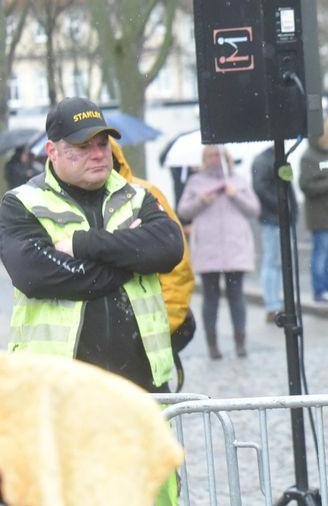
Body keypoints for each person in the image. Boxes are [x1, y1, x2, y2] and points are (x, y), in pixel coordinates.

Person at [0, 97, 184, 506]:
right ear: (53, 151)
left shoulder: (138, 197)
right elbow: (36, 274)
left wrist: (84, 246)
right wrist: (126, 263)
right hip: (58, 396)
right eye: (82, 147)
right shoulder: (20, 204)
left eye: (102, 143)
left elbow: (168, 248)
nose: (98, 154)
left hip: (142, 390)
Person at [110, 138, 197, 386]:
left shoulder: (144, 195)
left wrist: (159, 330)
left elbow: (178, 270)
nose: (94, 156)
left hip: (143, 350)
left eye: (99, 147)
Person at [178, 145, 261, 359]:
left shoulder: (238, 180)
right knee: (210, 297)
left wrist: (236, 196)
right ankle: (212, 343)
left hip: (234, 246)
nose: (214, 159)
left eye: (217, 155)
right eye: (209, 156)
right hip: (208, 246)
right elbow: (183, 211)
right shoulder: (196, 182)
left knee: (236, 296)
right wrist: (201, 201)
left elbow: (254, 209)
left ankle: (240, 341)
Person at [252, 146, 297, 323]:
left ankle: (277, 301)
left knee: (279, 262)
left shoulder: (277, 157)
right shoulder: (264, 160)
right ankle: (272, 304)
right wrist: (282, 206)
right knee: (272, 261)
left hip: (281, 218)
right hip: (272, 219)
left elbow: (288, 186)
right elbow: (260, 188)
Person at [299, 118, 328, 302]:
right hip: (319, 215)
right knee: (321, 254)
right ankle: (319, 289)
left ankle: (327, 288)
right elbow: (307, 185)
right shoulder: (309, 157)